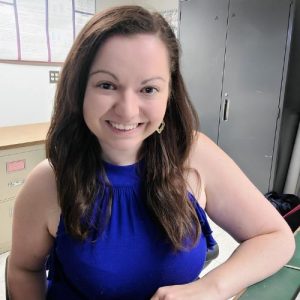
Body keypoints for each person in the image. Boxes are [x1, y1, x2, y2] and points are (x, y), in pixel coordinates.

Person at [7, 5, 295, 300]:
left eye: (148, 89)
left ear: (170, 92)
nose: (127, 110)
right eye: (107, 85)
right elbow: (23, 269)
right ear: (79, 88)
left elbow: (275, 237)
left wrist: (212, 286)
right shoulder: (49, 181)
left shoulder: (194, 155)